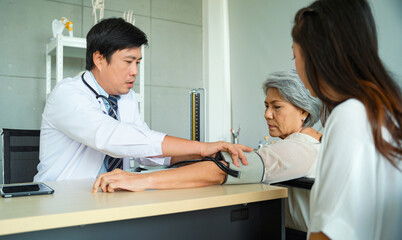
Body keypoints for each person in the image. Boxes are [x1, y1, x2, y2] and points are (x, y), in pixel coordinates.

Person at [92, 68, 323, 228]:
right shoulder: (313, 142)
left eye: (276, 107)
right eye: (266, 105)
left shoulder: (301, 149)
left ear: (304, 111)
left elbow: (223, 169)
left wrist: (140, 181)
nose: (267, 114)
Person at [34, 18, 252, 182]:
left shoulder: (125, 98)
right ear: (99, 59)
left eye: (138, 62)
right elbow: (111, 138)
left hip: (110, 197)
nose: (134, 71)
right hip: (63, 200)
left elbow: (144, 151)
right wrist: (201, 146)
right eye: (129, 61)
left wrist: (200, 154)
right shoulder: (68, 94)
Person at [291, 0, 402, 239]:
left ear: (316, 56)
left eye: (295, 57)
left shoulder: (350, 116)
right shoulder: (386, 113)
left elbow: (330, 232)